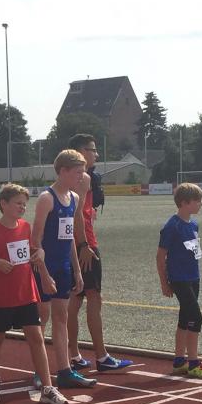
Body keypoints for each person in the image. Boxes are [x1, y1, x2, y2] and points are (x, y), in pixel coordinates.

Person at [0, 183, 68, 404]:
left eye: (25, 204)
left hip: (26, 293)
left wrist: (43, 268)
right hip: (0, 297)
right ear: (3, 204)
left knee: (36, 338)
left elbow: (36, 251)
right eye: (18, 203)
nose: (22, 207)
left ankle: (47, 387)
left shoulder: (26, 227)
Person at [66, 134, 132, 372]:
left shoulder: (71, 178)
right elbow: (76, 213)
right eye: (92, 150)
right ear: (80, 152)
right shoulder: (83, 178)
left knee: (75, 299)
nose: (96, 154)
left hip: (71, 243)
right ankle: (101, 356)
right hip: (84, 244)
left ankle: (73, 354)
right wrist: (84, 245)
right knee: (92, 298)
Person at [31, 150, 96, 390]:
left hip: (64, 267)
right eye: (78, 172)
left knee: (62, 318)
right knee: (42, 318)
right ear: (63, 171)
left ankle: (65, 370)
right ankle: (40, 371)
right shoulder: (46, 199)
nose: (82, 177)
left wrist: (77, 271)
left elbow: (69, 239)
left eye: (83, 172)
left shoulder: (74, 198)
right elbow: (35, 240)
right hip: (45, 267)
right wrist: (44, 273)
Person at [156, 183, 202, 380]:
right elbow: (160, 256)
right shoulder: (172, 226)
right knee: (196, 318)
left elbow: (194, 251)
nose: (201, 204)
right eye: (198, 201)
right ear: (184, 203)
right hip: (179, 279)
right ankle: (194, 363)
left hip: (193, 277)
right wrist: (164, 283)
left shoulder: (193, 225)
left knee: (185, 318)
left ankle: (179, 361)